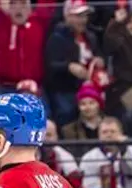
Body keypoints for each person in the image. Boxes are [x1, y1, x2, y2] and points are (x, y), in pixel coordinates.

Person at [44, 0, 103, 128]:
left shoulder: (91, 36)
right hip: (65, 90)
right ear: (67, 16)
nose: (83, 20)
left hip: (88, 88)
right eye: (78, 16)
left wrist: (99, 60)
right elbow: (51, 65)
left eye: (85, 16)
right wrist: (69, 66)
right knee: (67, 118)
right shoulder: (57, 37)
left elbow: (98, 54)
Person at [78, 116, 132, 188]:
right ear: (99, 136)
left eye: (113, 131)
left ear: (121, 134)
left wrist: (125, 151)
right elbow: (88, 187)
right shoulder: (89, 157)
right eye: (104, 132)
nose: (109, 135)